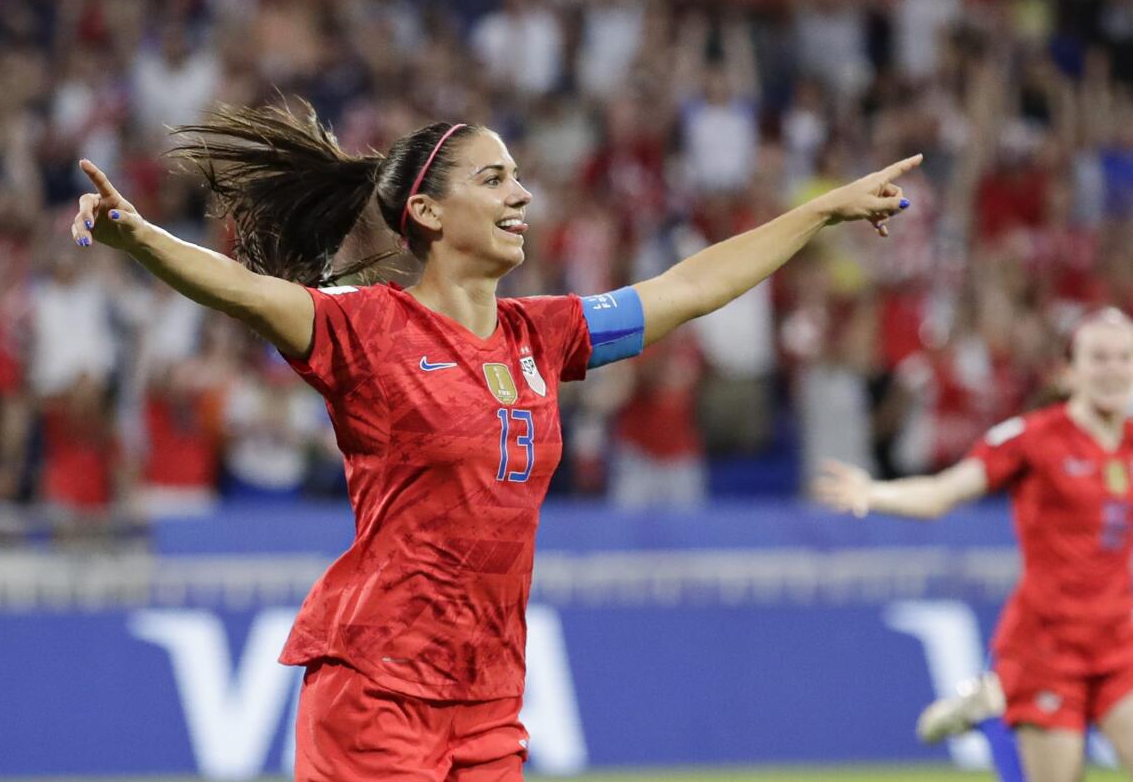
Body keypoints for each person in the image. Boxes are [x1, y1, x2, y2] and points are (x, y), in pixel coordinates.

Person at [69, 101, 918, 782]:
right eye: (494, 177)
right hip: (377, 688)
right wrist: (140, 237)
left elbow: (688, 287)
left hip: (489, 698)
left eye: (519, 177)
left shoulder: (542, 337)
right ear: (429, 211)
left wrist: (820, 212)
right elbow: (247, 293)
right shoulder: (365, 329)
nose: (521, 194)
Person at [814, 309, 1133, 782]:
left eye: (1124, 357)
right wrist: (875, 492)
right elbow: (944, 493)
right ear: (1069, 371)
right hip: (1048, 651)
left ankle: (985, 701)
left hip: (1120, 646)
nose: (1112, 369)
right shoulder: (1031, 438)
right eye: (1098, 357)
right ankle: (990, 700)